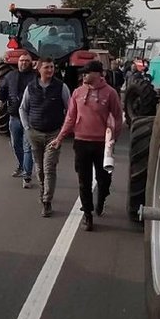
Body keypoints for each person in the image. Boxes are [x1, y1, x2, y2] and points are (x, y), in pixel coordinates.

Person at [49, 60, 123, 231]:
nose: (83, 75)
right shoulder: (77, 92)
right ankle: (88, 214)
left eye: (87, 72)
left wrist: (112, 140)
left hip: (102, 144)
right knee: (84, 180)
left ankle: (102, 198)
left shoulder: (110, 93)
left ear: (98, 74)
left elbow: (118, 118)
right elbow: (70, 117)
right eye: (83, 73)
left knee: (103, 179)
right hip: (81, 141)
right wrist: (60, 138)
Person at [20, 57, 71, 217]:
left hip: (53, 135)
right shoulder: (31, 87)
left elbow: (70, 110)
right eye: (47, 67)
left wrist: (63, 131)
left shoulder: (61, 87)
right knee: (40, 168)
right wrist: (27, 128)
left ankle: (47, 201)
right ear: (39, 69)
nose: (50, 70)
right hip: (35, 133)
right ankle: (43, 192)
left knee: (49, 168)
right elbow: (23, 108)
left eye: (52, 67)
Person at [0, 53, 37, 187]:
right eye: (21, 61)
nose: (23, 63)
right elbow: (2, 90)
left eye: (26, 61)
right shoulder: (10, 76)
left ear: (31, 63)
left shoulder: (36, 77)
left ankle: (27, 176)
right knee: (16, 145)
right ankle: (21, 166)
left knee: (27, 147)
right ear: (17, 63)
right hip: (13, 117)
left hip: (29, 118)